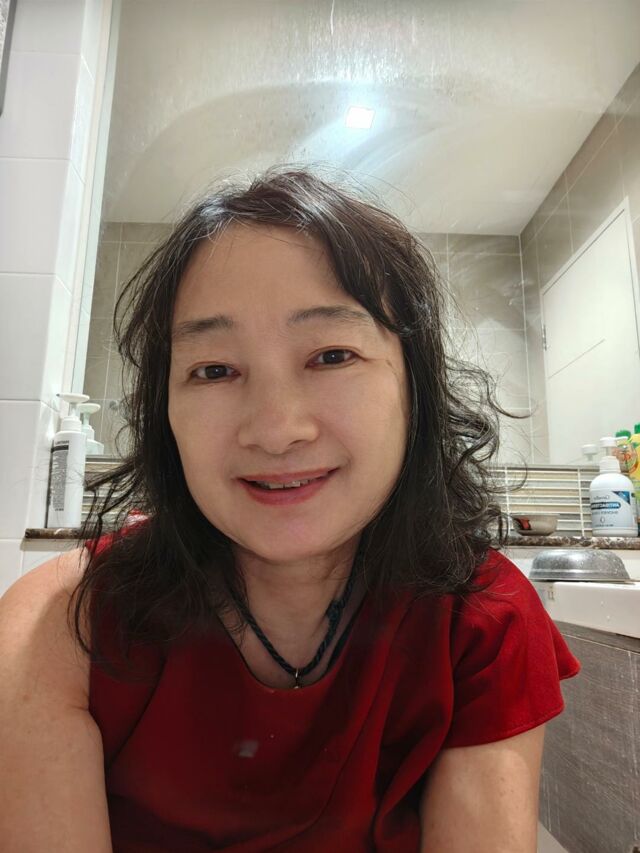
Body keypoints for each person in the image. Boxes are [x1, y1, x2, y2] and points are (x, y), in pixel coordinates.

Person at [0, 166, 580, 852]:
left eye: (332, 355)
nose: (276, 430)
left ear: (413, 389)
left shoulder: (482, 622)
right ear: (166, 413)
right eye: (214, 369)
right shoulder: (61, 627)